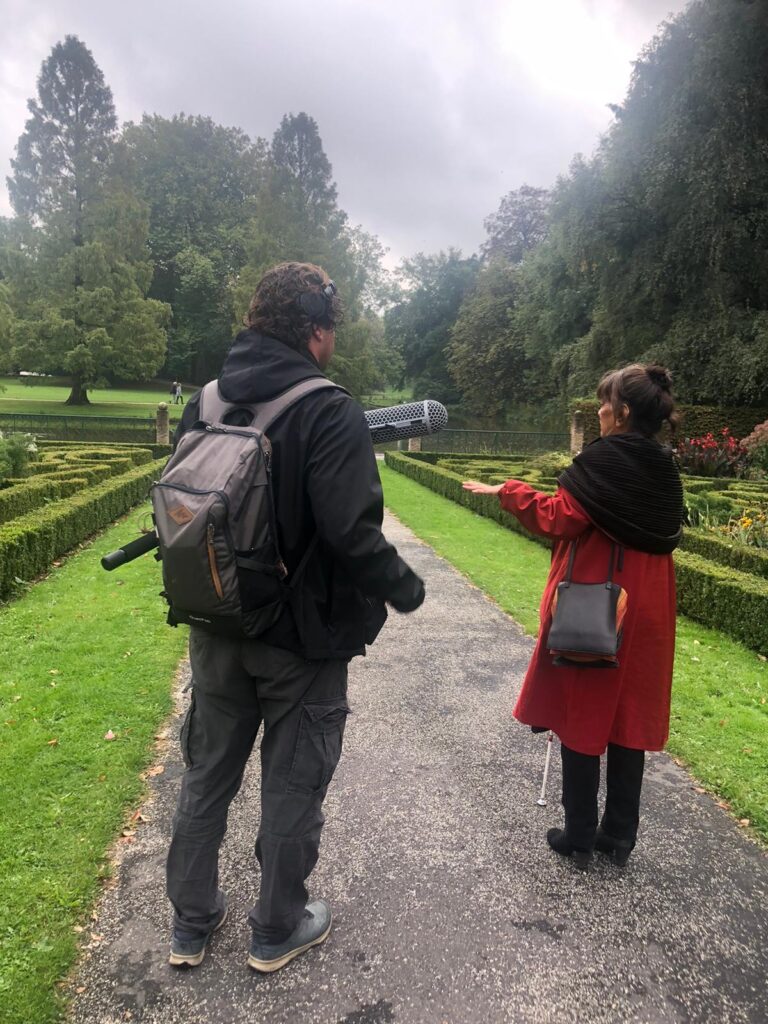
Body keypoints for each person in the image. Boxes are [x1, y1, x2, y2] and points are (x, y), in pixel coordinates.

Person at [166, 262, 425, 970]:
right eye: (332, 330)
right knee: (292, 783)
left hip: (215, 624)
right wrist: (405, 589)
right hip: (302, 642)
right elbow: (353, 533)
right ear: (316, 331)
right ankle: (276, 926)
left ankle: (191, 924)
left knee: (207, 774)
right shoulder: (327, 406)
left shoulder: (207, 400)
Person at [463, 364, 683, 869]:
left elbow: (562, 518)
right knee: (629, 719)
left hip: (601, 604)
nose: (599, 409)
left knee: (583, 711)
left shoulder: (607, 458)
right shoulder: (664, 465)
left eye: (605, 402)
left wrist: (509, 491)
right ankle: (618, 837)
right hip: (650, 607)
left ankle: (580, 835)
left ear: (623, 412)